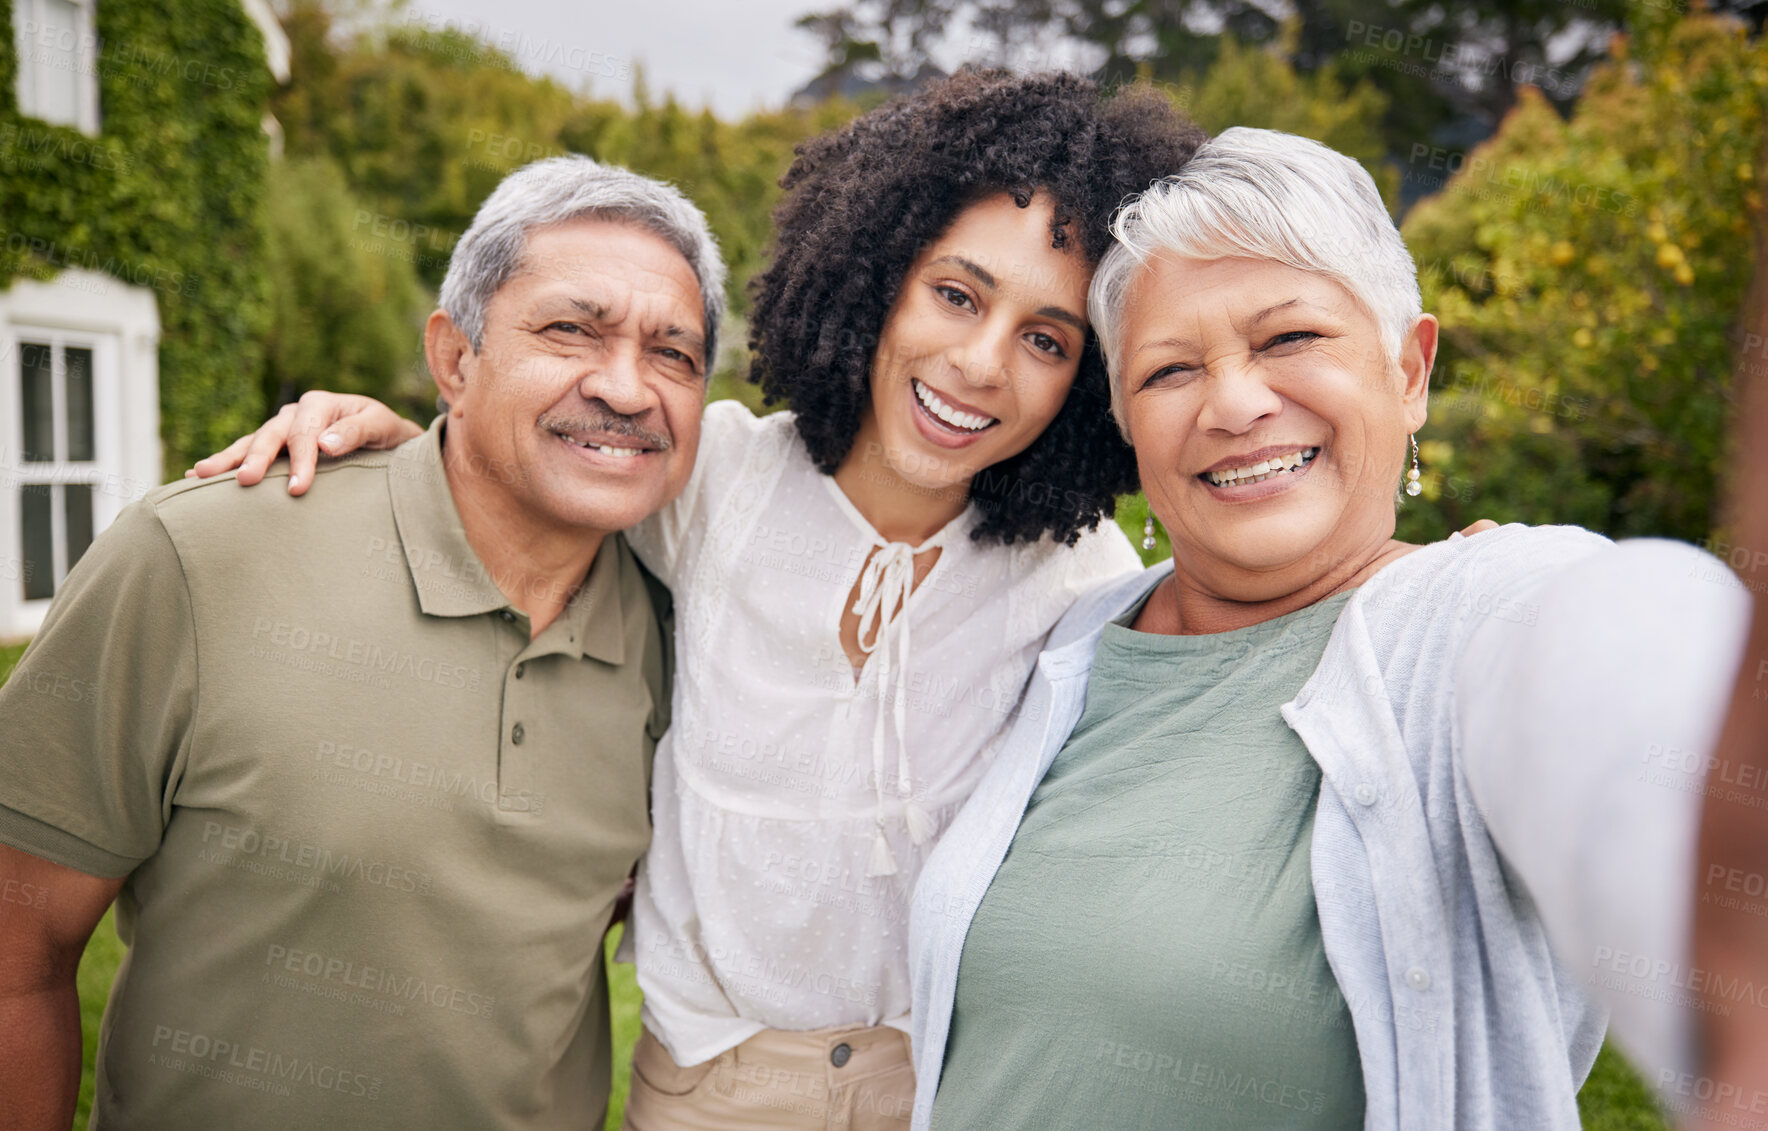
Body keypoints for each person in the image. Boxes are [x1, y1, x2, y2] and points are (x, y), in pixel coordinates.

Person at [187, 71, 1205, 1129]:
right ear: (874, 276)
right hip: (715, 1084)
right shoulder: (716, 480)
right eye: (954, 293)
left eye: (1048, 340)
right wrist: (392, 429)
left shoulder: (1071, 570)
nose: (981, 363)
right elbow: (529, 464)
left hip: (950, 1080)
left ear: (1089, 383)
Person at [908, 127, 1755, 1131]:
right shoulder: (1072, 636)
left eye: (1289, 339)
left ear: (1409, 371)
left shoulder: (1478, 619)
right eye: (1170, 371)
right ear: (1126, 425)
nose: (1233, 403)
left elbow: (1621, 675)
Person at [0, 157, 723, 1130]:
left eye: (673, 354)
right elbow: (17, 956)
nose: (628, 387)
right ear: (455, 360)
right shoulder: (199, 557)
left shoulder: (689, 639)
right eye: (570, 330)